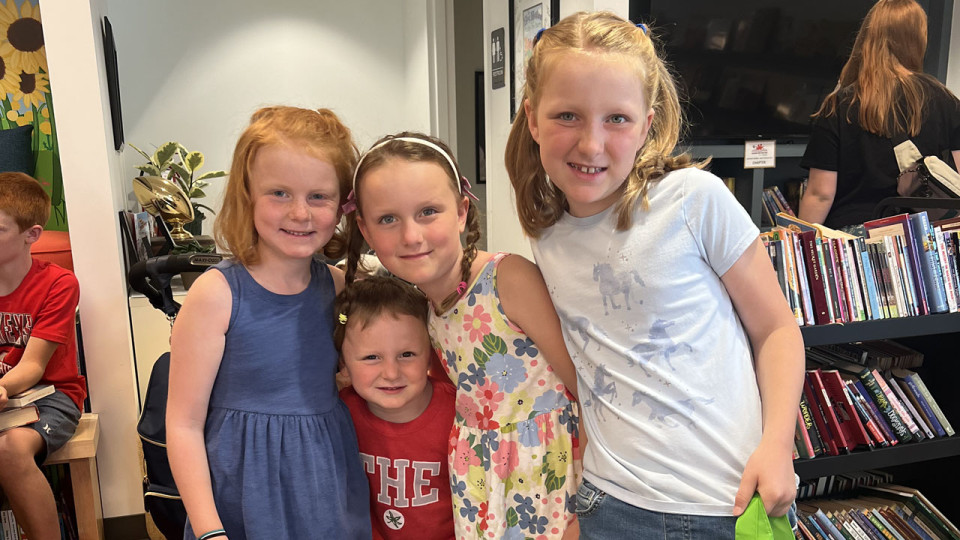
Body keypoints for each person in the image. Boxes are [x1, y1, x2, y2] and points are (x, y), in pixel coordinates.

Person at [504, 11, 804, 539]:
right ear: (532, 118)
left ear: (647, 123)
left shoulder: (695, 199)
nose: (591, 144)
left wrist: (779, 444)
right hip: (610, 504)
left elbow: (777, 329)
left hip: (730, 504)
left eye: (616, 119)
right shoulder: (546, 236)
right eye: (567, 116)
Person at [338, 132, 581, 540]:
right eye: (387, 219)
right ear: (364, 228)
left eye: (428, 211)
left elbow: (585, 386)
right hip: (481, 487)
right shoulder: (424, 310)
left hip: (549, 476)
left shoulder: (508, 279)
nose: (411, 236)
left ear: (462, 211)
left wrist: (592, 498)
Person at [166, 106, 370, 540]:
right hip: (241, 496)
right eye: (279, 193)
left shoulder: (339, 289)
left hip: (326, 487)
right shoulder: (216, 295)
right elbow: (183, 424)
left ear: (342, 206)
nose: (300, 213)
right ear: (247, 195)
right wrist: (208, 530)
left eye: (319, 196)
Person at [799, 0, 960, 229]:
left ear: (869, 37)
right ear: (918, 39)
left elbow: (821, 193)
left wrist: (801, 242)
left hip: (855, 240)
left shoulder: (841, 104)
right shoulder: (946, 101)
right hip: (921, 239)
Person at [335, 276, 457, 539]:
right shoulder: (340, 414)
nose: (391, 373)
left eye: (406, 354)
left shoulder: (459, 415)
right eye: (371, 358)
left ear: (430, 352)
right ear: (343, 363)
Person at [0, 172, 86, 540]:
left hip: (52, 395)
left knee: (10, 449)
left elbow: (33, 366)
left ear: (30, 235)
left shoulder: (58, 284)